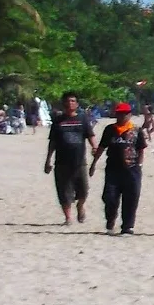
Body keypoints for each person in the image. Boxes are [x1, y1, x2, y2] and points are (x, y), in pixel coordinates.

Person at [89, 102, 147, 234]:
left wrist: (139, 165)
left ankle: (127, 226)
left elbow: (141, 149)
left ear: (129, 115)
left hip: (132, 169)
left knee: (131, 198)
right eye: (119, 114)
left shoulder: (136, 130)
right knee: (109, 197)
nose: (121, 116)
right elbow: (102, 148)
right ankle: (110, 219)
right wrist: (93, 164)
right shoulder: (110, 129)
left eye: (124, 114)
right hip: (113, 170)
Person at [42, 92, 94, 227]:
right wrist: (48, 160)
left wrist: (94, 147)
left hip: (79, 162)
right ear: (63, 103)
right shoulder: (58, 121)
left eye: (72, 101)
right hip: (61, 162)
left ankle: (80, 206)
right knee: (64, 191)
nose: (70, 103)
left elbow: (90, 135)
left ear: (77, 104)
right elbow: (52, 142)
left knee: (83, 191)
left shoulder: (83, 119)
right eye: (67, 101)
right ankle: (68, 217)